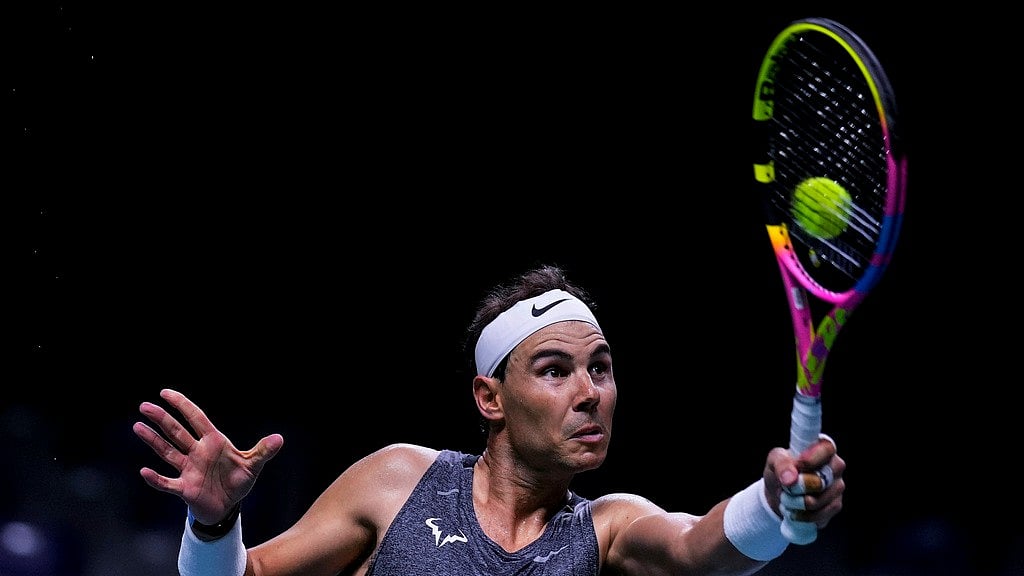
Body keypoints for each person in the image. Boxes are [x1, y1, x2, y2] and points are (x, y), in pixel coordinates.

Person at [133, 264, 845, 576]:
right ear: (490, 399)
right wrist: (215, 523)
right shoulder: (397, 482)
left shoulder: (610, 530)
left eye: (600, 367)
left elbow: (699, 550)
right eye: (555, 370)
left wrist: (774, 507)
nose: (591, 392)